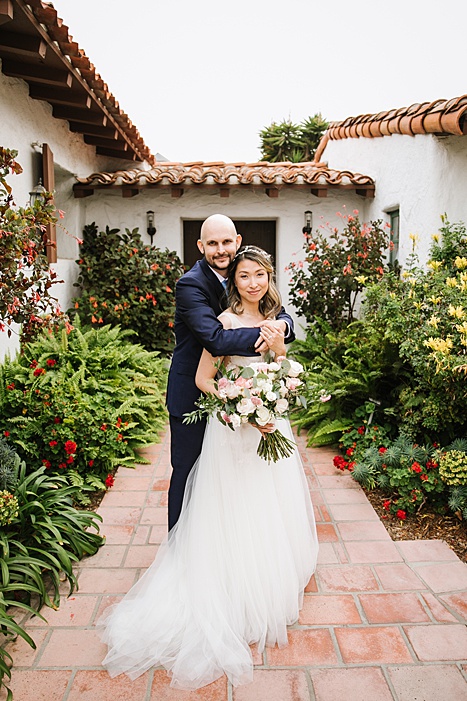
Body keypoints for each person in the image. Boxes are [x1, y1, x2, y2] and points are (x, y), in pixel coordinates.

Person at [99, 245, 318, 690]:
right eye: (244, 277)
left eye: (259, 275)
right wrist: (240, 407)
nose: (252, 282)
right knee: (232, 502)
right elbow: (204, 378)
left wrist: (277, 375)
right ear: (233, 282)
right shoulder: (224, 321)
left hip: (271, 422)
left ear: (268, 277)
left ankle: (270, 571)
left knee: (269, 500)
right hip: (236, 427)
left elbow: (278, 366)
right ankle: (230, 581)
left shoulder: (278, 323)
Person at [166, 214, 295, 530]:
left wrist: (282, 327)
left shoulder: (245, 273)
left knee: (234, 482)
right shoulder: (190, 285)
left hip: (241, 394)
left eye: (226, 242)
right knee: (189, 471)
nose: (220, 249)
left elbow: (280, 313)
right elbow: (215, 338)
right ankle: (178, 547)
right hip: (193, 394)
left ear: (237, 242)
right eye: (212, 243)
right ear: (201, 246)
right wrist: (268, 333)